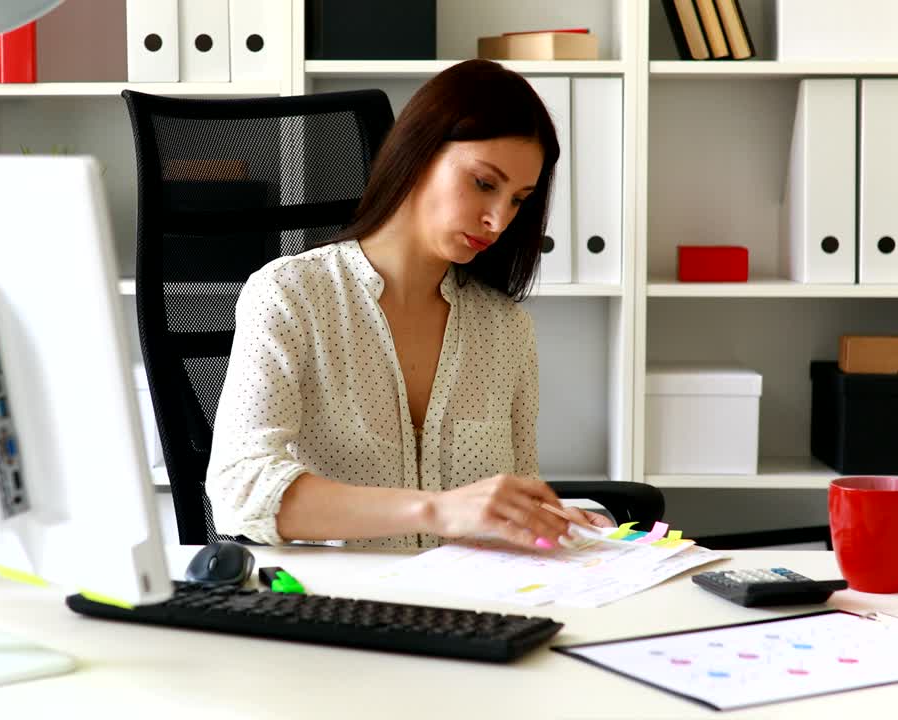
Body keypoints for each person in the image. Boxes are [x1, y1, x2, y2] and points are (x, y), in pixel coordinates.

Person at [205, 59, 614, 550]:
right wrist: (435, 509)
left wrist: (553, 522)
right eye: (485, 184)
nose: (498, 220)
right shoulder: (292, 295)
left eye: (518, 199)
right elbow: (240, 488)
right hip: (336, 594)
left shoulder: (507, 329)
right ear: (418, 155)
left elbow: (514, 493)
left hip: (470, 593)